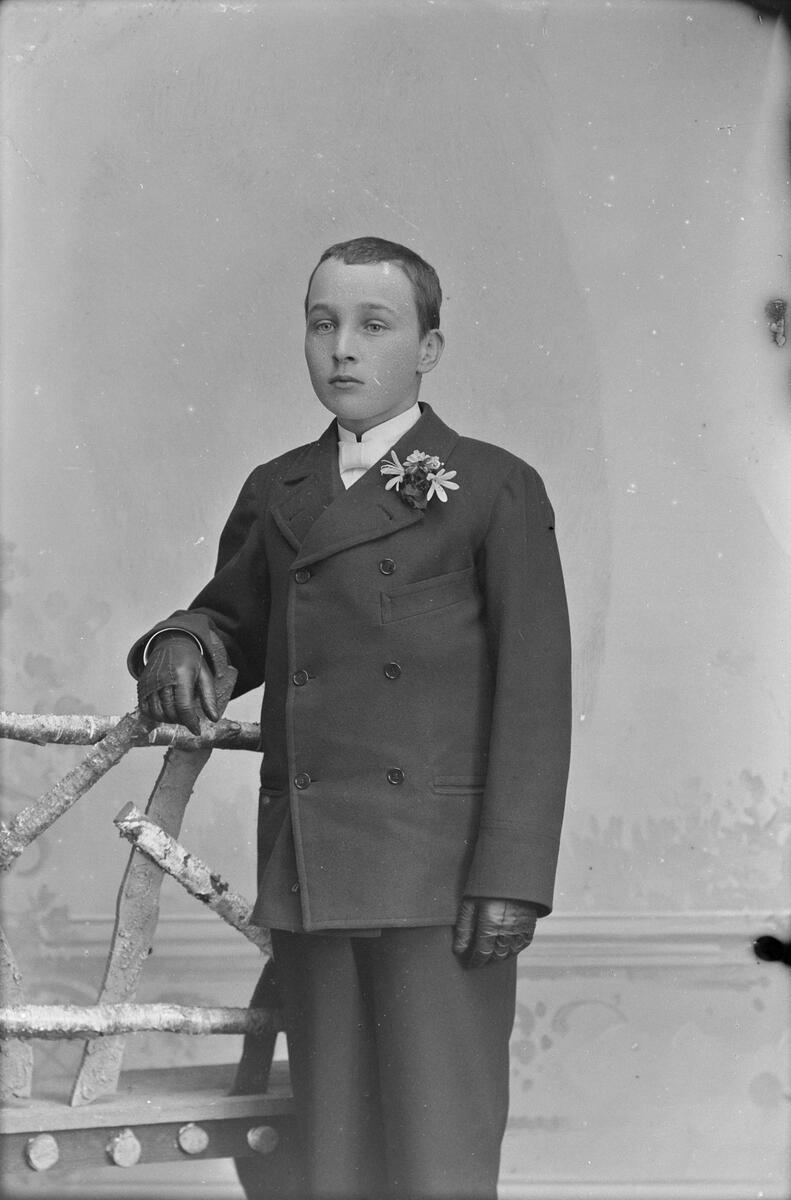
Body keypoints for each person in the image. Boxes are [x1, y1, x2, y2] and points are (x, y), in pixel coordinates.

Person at [129, 236, 571, 1200]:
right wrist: (181, 644)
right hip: (314, 863)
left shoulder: (493, 486)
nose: (342, 348)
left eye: (374, 325)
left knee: (439, 1154)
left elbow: (536, 698)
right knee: (327, 1158)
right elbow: (231, 620)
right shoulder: (278, 488)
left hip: (440, 879)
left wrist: (511, 879)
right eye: (322, 324)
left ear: (429, 349)